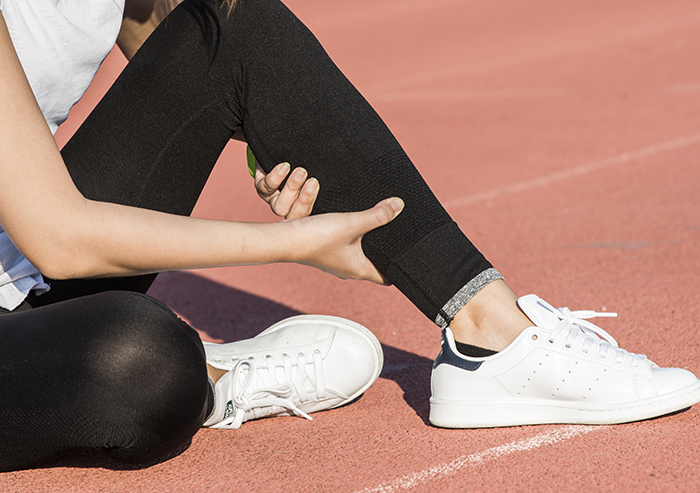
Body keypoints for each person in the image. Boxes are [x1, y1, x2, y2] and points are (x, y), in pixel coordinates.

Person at [0, 0, 698, 472]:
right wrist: (295, 243)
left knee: (233, 25)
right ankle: (211, 378)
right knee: (143, 357)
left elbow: (178, 56)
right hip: (42, 260)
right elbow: (61, 237)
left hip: (21, 273)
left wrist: (271, 147)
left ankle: (494, 337)